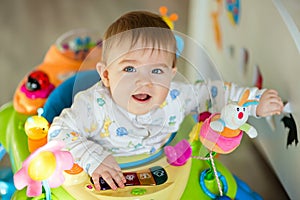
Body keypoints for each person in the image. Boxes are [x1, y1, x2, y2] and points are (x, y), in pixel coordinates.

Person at [48, 11, 283, 191]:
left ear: (171, 73)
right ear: (107, 75)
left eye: (156, 71)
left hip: (160, 167)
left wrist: (255, 101)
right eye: (129, 68)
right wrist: (93, 158)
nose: (144, 82)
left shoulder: (176, 97)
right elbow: (58, 131)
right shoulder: (93, 106)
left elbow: (216, 93)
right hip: (103, 172)